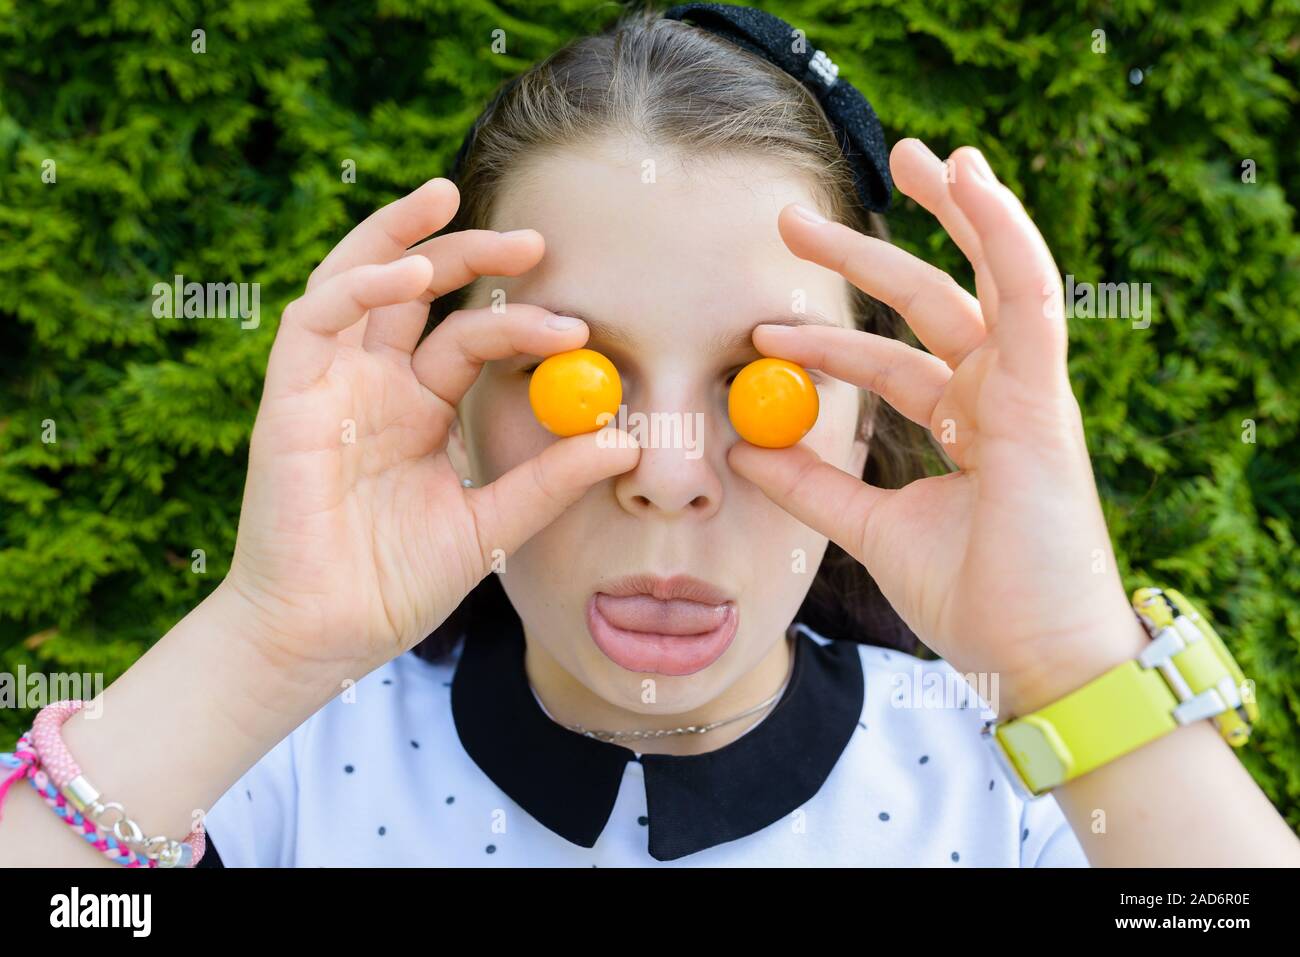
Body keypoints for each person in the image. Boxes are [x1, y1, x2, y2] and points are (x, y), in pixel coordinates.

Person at [3, 3, 1297, 868]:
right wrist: (261, 638)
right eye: (574, 375)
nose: (668, 474)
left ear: (861, 424)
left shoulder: (1027, 790)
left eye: (765, 380)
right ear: (454, 410)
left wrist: (1072, 662)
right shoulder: (269, 778)